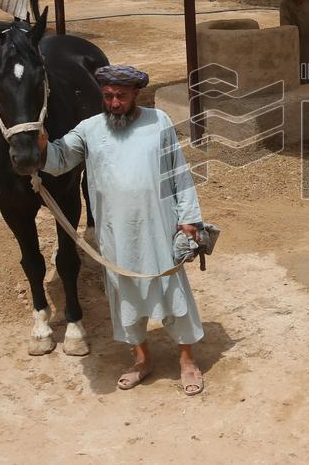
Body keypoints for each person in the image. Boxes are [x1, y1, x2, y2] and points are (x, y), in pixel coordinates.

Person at [37, 65, 207, 394]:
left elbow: (179, 172)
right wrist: (42, 145)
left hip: (159, 225)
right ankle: (142, 359)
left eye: (121, 97)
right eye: (108, 96)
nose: (114, 103)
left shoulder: (159, 122)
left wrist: (189, 218)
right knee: (125, 296)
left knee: (172, 293)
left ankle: (187, 360)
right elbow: (59, 160)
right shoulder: (88, 129)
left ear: (136, 95)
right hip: (116, 234)